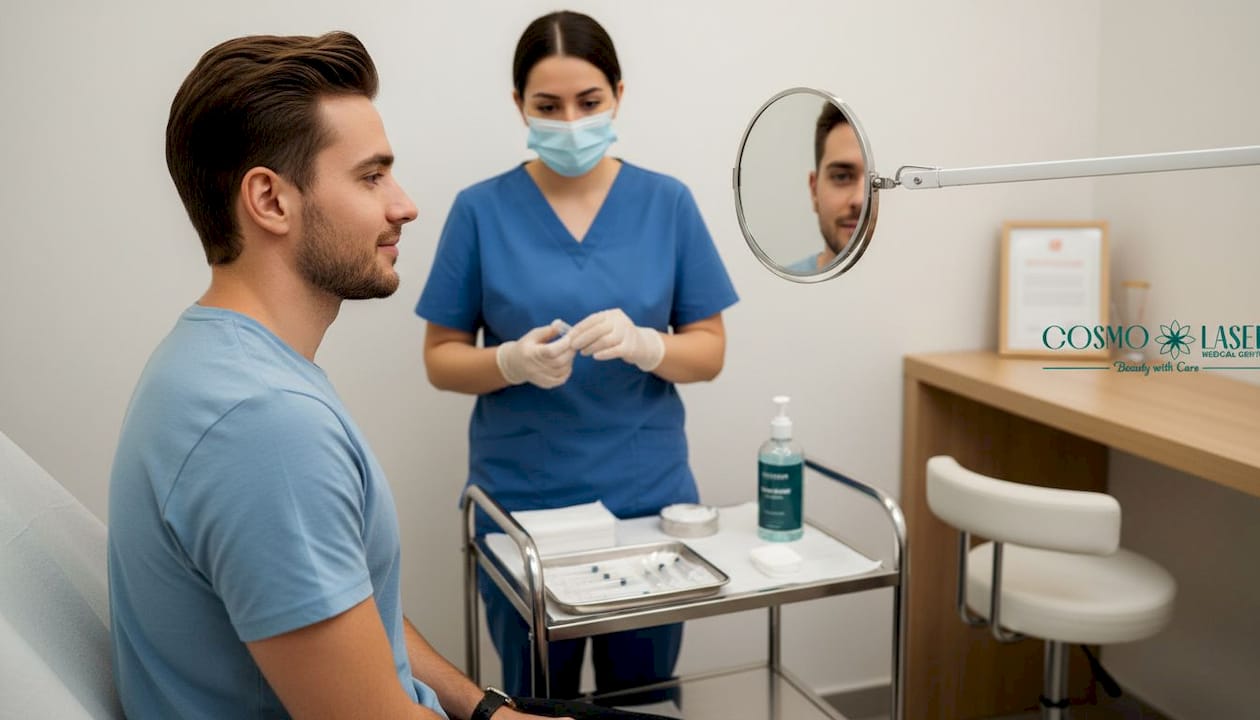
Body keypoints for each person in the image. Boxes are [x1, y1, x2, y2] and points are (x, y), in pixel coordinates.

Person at [107, 31, 568, 720]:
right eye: (371, 176)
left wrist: (484, 710)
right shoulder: (261, 423)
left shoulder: (228, 365)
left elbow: (357, 614)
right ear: (270, 201)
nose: (404, 206)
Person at [415, 10, 738, 702]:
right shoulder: (480, 211)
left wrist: (649, 345)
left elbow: (709, 352)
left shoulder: (666, 203)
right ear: (518, 106)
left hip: (649, 505)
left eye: (589, 102)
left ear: (619, 93)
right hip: (523, 517)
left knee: (644, 701)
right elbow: (440, 358)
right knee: (536, 705)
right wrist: (508, 363)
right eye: (547, 106)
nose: (570, 121)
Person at [786, 102, 867, 273]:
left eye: (875, 180)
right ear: (814, 190)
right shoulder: (779, 295)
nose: (860, 199)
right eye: (842, 176)